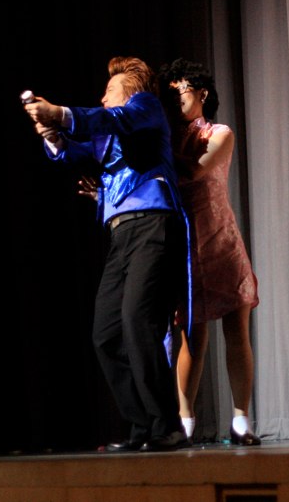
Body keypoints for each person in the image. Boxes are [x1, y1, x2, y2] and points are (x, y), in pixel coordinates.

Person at [24, 56, 190, 452]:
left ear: (130, 92)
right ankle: (141, 427)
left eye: (109, 90)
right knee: (107, 332)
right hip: (121, 235)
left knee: (137, 320)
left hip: (152, 221)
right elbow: (77, 153)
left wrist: (61, 113)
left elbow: (107, 120)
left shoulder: (144, 109)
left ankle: (167, 425)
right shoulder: (109, 127)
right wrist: (53, 134)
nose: (102, 97)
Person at [158, 58, 261, 446]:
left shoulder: (220, 132)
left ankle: (241, 421)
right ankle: (185, 422)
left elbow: (197, 170)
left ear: (200, 93)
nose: (176, 100)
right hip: (184, 246)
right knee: (190, 338)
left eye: (181, 92)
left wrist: (156, 156)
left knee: (236, 331)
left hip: (220, 240)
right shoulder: (166, 138)